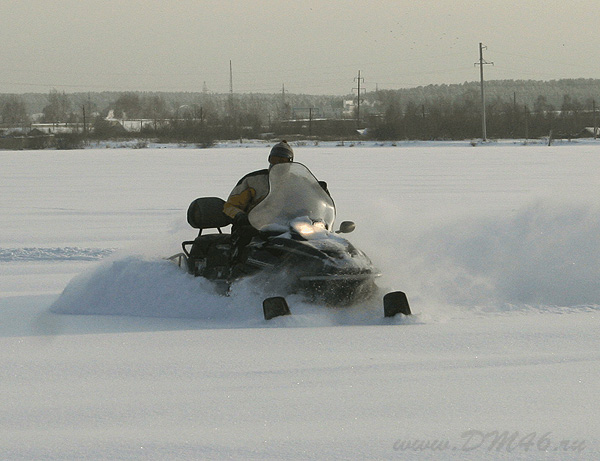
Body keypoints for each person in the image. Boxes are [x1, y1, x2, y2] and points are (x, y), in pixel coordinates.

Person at [223, 140, 328, 262]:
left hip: (288, 226)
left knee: (314, 240)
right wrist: (240, 216)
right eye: (274, 160)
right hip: (255, 226)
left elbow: (310, 202)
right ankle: (235, 270)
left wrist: (318, 194)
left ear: (290, 162)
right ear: (269, 160)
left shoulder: (299, 182)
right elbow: (229, 206)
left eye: (282, 161)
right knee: (245, 237)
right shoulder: (253, 180)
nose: (278, 164)